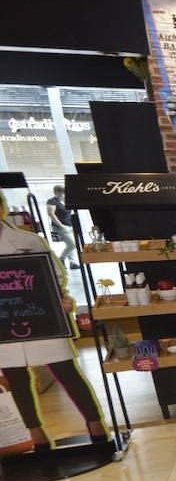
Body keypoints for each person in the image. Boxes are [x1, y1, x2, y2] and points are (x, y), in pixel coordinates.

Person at [0, 217, 105, 448]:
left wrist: (61, 299)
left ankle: (95, 424)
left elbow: (53, 276)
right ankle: (36, 434)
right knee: (17, 380)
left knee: (67, 372)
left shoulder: (29, 241)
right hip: (5, 324)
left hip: (42, 318)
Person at [45, 185, 76, 266]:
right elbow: (51, 214)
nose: (62, 194)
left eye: (63, 193)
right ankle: (61, 259)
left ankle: (72, 263)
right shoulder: (51, 201)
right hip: (60, 227)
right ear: (56, 192)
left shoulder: (64, 200)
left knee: (70, 245)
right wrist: (61, 225)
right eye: (60, 193)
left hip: (69, 225)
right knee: (72, 244)